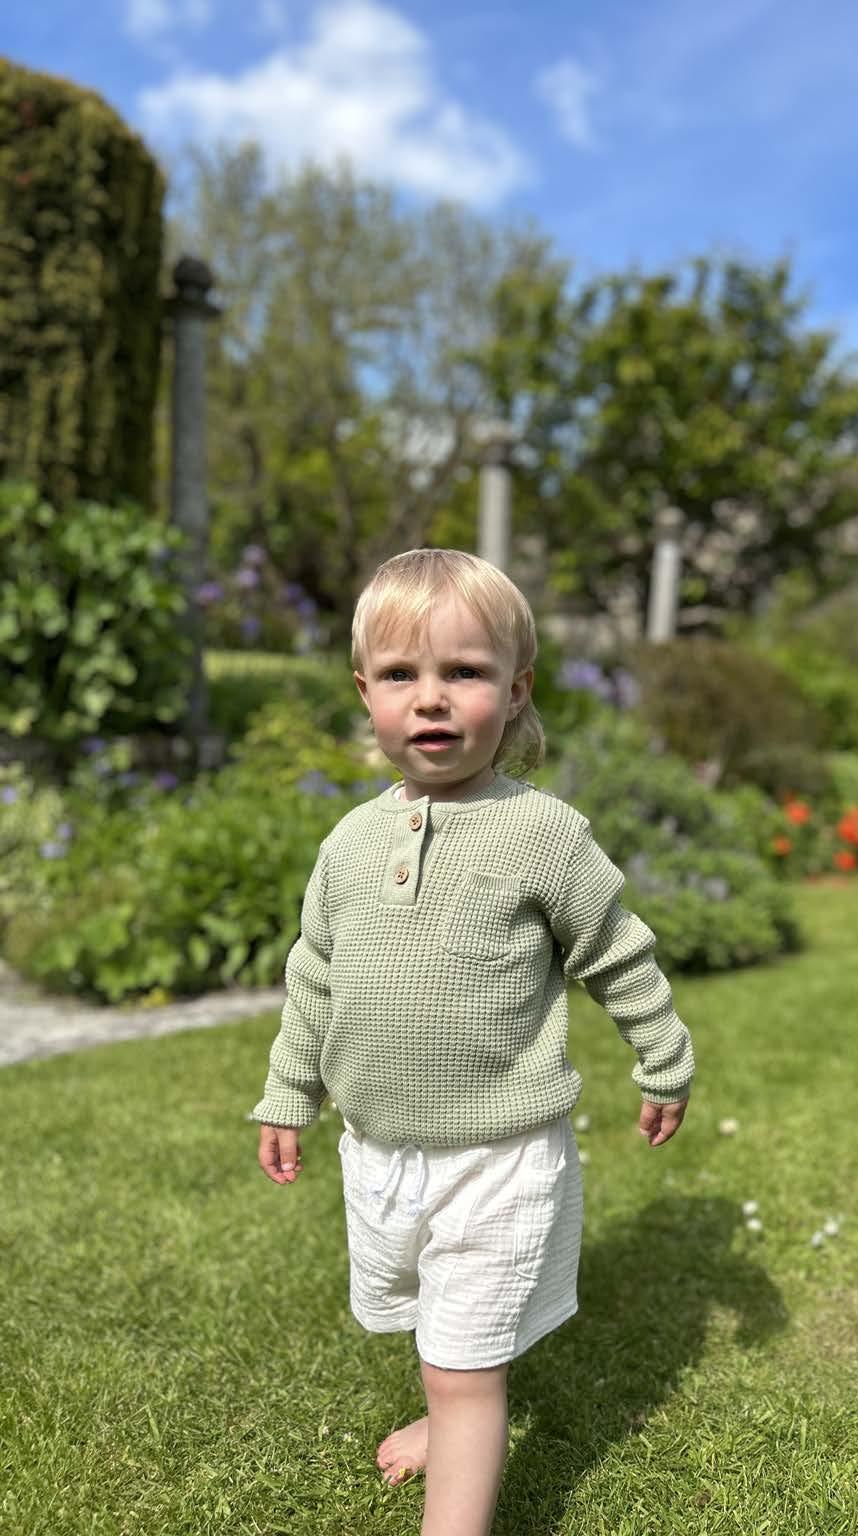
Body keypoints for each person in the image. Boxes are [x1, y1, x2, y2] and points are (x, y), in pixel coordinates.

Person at [252, 548, 694, 1536]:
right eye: (401, 674)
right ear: (365, 693)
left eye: (464, 671)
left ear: (517, 689)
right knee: (430, 1312)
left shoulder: (542, 835)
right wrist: (288, 1093)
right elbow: (313, 976)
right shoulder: (348, 846)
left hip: (499, 1154)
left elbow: (617, 952)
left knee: (465, 1363)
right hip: (381, 1151)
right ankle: (449, 1413)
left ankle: (456, 1465)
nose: (432, 698)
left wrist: (662, 1054)